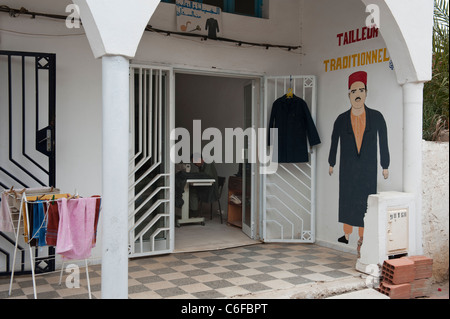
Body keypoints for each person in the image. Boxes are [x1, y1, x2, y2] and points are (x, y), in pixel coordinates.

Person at [328, 71, 390, 256]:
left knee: (365, 201)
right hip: (347, 168)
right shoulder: (341, 119)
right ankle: (347, 234)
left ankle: (363, 235)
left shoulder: (376, 117)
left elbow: (383, 141)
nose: (357, 94)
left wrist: (385, 165)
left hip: (368, 168)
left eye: (361, 90)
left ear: (366, 92)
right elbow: (334, 142)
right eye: (353, 90)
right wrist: (332, 162)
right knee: (347, 199)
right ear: (349, 94)